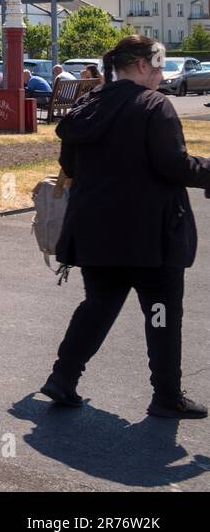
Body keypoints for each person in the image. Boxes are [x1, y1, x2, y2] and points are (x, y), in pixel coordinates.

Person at [42, 35, 209, 418]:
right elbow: (174, 165)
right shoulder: (154, 105)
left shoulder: (88, 106)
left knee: (98, 305)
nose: (162, 73)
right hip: (150, 234)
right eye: (158, 64)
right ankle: (166, 395)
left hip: (95, 230)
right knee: (161, 313)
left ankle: (63, 377)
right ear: (140, 65)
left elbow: (70, 166)